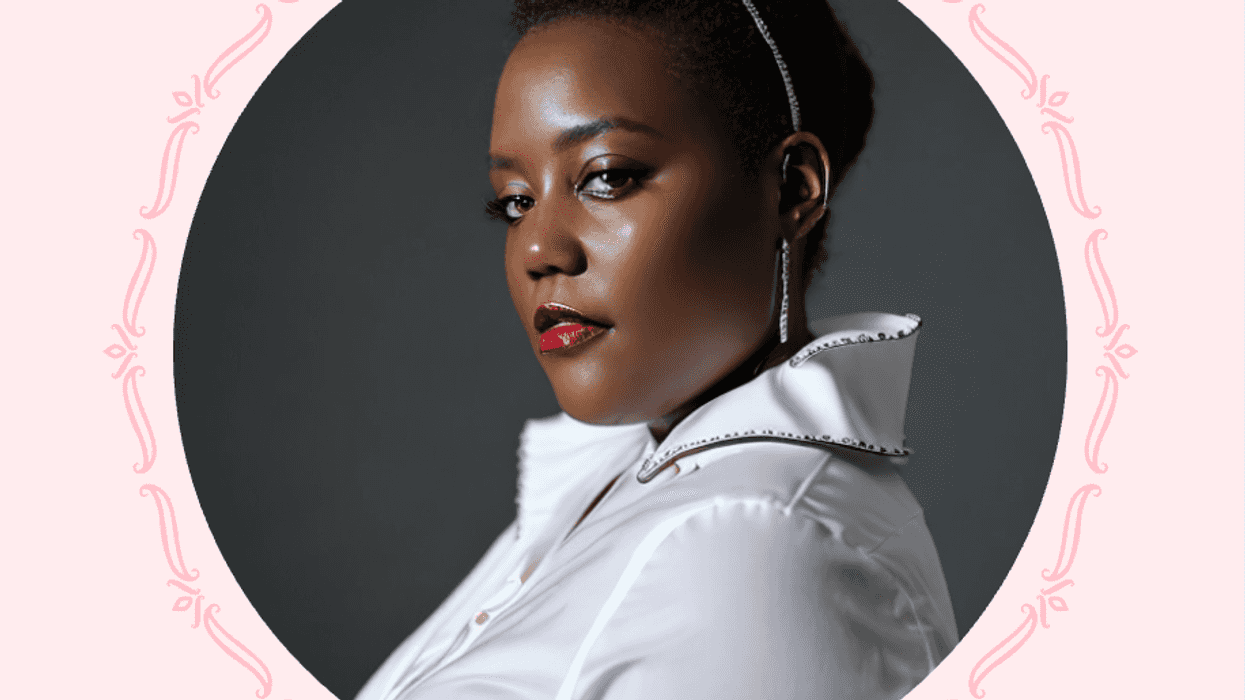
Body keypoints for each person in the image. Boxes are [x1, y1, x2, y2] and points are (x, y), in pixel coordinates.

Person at [357, 0, 957, 697]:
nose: (537, 249)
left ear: (791, 188)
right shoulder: (614, 482)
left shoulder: (750, 545)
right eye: (515, 201)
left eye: (607, 176)